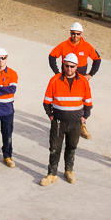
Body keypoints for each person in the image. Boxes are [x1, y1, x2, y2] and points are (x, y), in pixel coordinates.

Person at [40, 53, 92, 186]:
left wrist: (84, 118)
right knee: (54, 148)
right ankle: (52, 174)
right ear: (63, 65)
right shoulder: (54, 80)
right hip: (58, 122)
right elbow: (46, 102)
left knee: (71, 147)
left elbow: (88, 103)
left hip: (75, 123)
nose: (69, 69)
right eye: (67, 66)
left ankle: (69, 171)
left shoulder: (83, 81)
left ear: (76, 67)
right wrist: (51, 116)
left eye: (72, 66)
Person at [49, 22, 102, 138]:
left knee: (82, 102)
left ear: (81, 34)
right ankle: (59, 123)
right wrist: (58, 73)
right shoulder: (63, 45)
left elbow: (97, 59)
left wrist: (91, 74)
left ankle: (82, 125)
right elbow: (52, 56)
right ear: (70, 33)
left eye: (78, 34)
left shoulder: (87, 46)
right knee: (61, 99)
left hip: (81, 80)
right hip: (65, 80)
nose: (75, 36)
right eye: (73, 34)